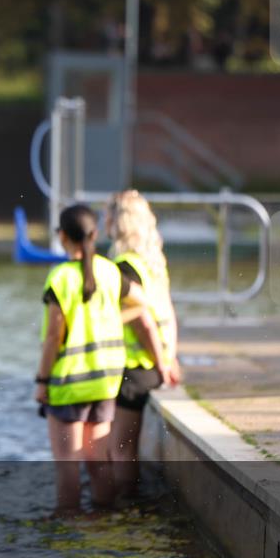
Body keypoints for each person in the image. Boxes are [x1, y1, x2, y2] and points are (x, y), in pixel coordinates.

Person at [35, 204, 169, 516]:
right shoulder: (110, 271)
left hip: (69, 383)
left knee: (68, 464)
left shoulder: (60, 278)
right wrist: (110, 319)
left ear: (62, 236)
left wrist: (42, 381)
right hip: (105, 381)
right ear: (95, 235)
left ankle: (68, 523)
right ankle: (104, 519)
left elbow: (53, 337)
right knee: (99, 462)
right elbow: (143, 303)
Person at [106, 190, 181, 495]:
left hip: (135, 369)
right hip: (153, 364)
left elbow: (143, 321)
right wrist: (170, 357)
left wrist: (162, 364)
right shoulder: (154, 263)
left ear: (119, 222)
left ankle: (124, 504)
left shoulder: (124, 266)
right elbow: (169, 314)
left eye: (107, 216)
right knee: (126, 447)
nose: (104, 222)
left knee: (120, 449)